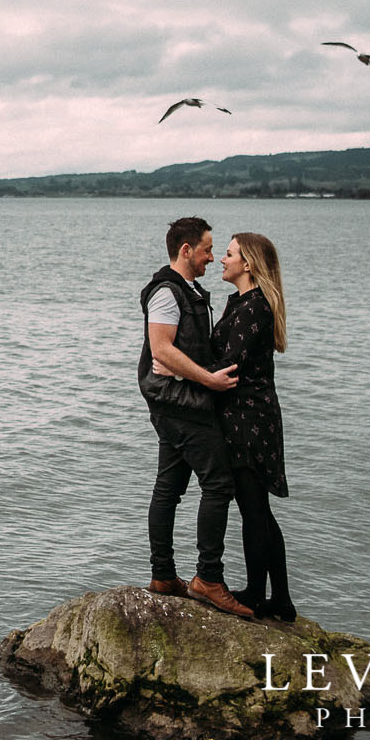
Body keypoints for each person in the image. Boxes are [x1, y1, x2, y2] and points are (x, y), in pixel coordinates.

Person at [138, 216, 251, 617]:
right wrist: (210, 381)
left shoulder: (189, 291)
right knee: (219, 484)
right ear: (185, 250)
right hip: (181, 404)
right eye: (206, 248)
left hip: (176, 401)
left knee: (168, 486)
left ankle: (163, 575)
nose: (211, 257)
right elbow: (161, 350)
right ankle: (208, 578)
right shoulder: (168, 292)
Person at [212, 231, 294, 621]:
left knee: (253, 509)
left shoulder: (253, 307)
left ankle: (261, 594)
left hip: (249, 419)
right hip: (251, 416)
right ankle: (279, 599)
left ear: (248, 264)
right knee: (257, 510)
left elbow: (229, 362)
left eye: (228, 255)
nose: (222, 260)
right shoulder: (247, 302)